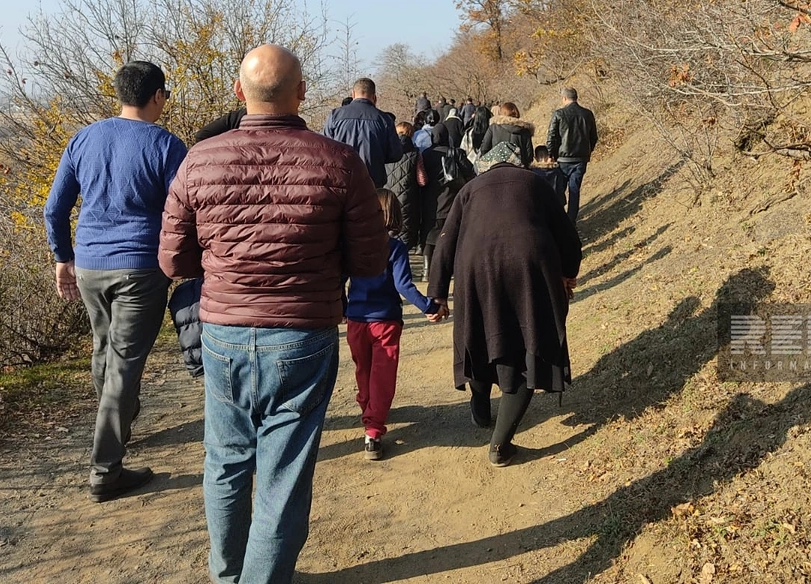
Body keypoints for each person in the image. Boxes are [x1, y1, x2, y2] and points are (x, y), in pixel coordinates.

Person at [159, 45, 388, 584]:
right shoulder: (338, 161)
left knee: (226, 459)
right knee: (283, 476)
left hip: (223, 330)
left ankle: (227, 575)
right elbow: (371, 260)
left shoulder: (200, 159)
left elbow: (173, 260)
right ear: (301, 93)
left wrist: (222, 266)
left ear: (239, 92)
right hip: (303, 332)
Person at [43, 60, 187, 502]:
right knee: (123, 363)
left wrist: (63, 258)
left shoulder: (83, 139)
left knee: (105, 348)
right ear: (157, 96)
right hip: (140, 267)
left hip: (89, 265)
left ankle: (120, 423)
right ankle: (106, 470)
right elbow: (185, 210)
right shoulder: (166, 145)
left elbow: (54, 209)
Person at [426, 149, 581, 467]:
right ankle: (500, 446)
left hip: (475, 270)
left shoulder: (470, 189)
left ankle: (481, 407)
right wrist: (568, 273)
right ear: (518, 164)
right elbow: (568, 236)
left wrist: (437, 295)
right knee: (526, 347)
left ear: (484, 168)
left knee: (478, 337)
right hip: (529, 269)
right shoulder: (535, 182)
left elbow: (445, 241)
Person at [346, 190, 448, 460]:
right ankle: (373, 431)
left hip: (356, 320)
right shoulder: (395, 248)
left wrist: (342, 306)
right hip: (386, 322)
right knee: (383, 375)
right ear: (395, 214)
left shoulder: (354, 245)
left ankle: (368, 408)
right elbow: (403, 285)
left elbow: (339, 277)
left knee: (363, 370)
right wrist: (429, 307)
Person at [323, 77, 402, 187]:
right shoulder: (384, 119)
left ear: (353, 94)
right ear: (374, 97)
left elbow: (325, 150)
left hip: (341, 180)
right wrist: (378, 156)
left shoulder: (335, 116)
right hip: (372, 182)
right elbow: (395, 154)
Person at [418, 123, 473, 281]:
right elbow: (469, 171)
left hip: (430, 200)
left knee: (428, 234)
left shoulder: (426, 154)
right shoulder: (456, 152)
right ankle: (450, 269)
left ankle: (426, 271)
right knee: (451, 234)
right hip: (451, 197)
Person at [546, 87, 598, 226]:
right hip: (581, 158)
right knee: (574, 190)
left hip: (562, 158)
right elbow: (593, 137)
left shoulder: (559, 114)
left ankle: (557, 219)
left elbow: (552, 136)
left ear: (564, 98)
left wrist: (550, 154)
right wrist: (588, 151)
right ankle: (571, 221)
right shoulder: (587, 114)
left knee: (559, 190)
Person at [384, 121, 424, 252]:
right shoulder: (415, 153)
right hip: (408, 199)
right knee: (405, 231)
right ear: (411, 134)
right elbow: (422, 180)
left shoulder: (387, 151)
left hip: (388, 197)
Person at [479, 102, 535, 167]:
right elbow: (529, 156)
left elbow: (484, 149)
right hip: (518, 169)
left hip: (496, 167)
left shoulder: (493, 128)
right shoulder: (524, 131)